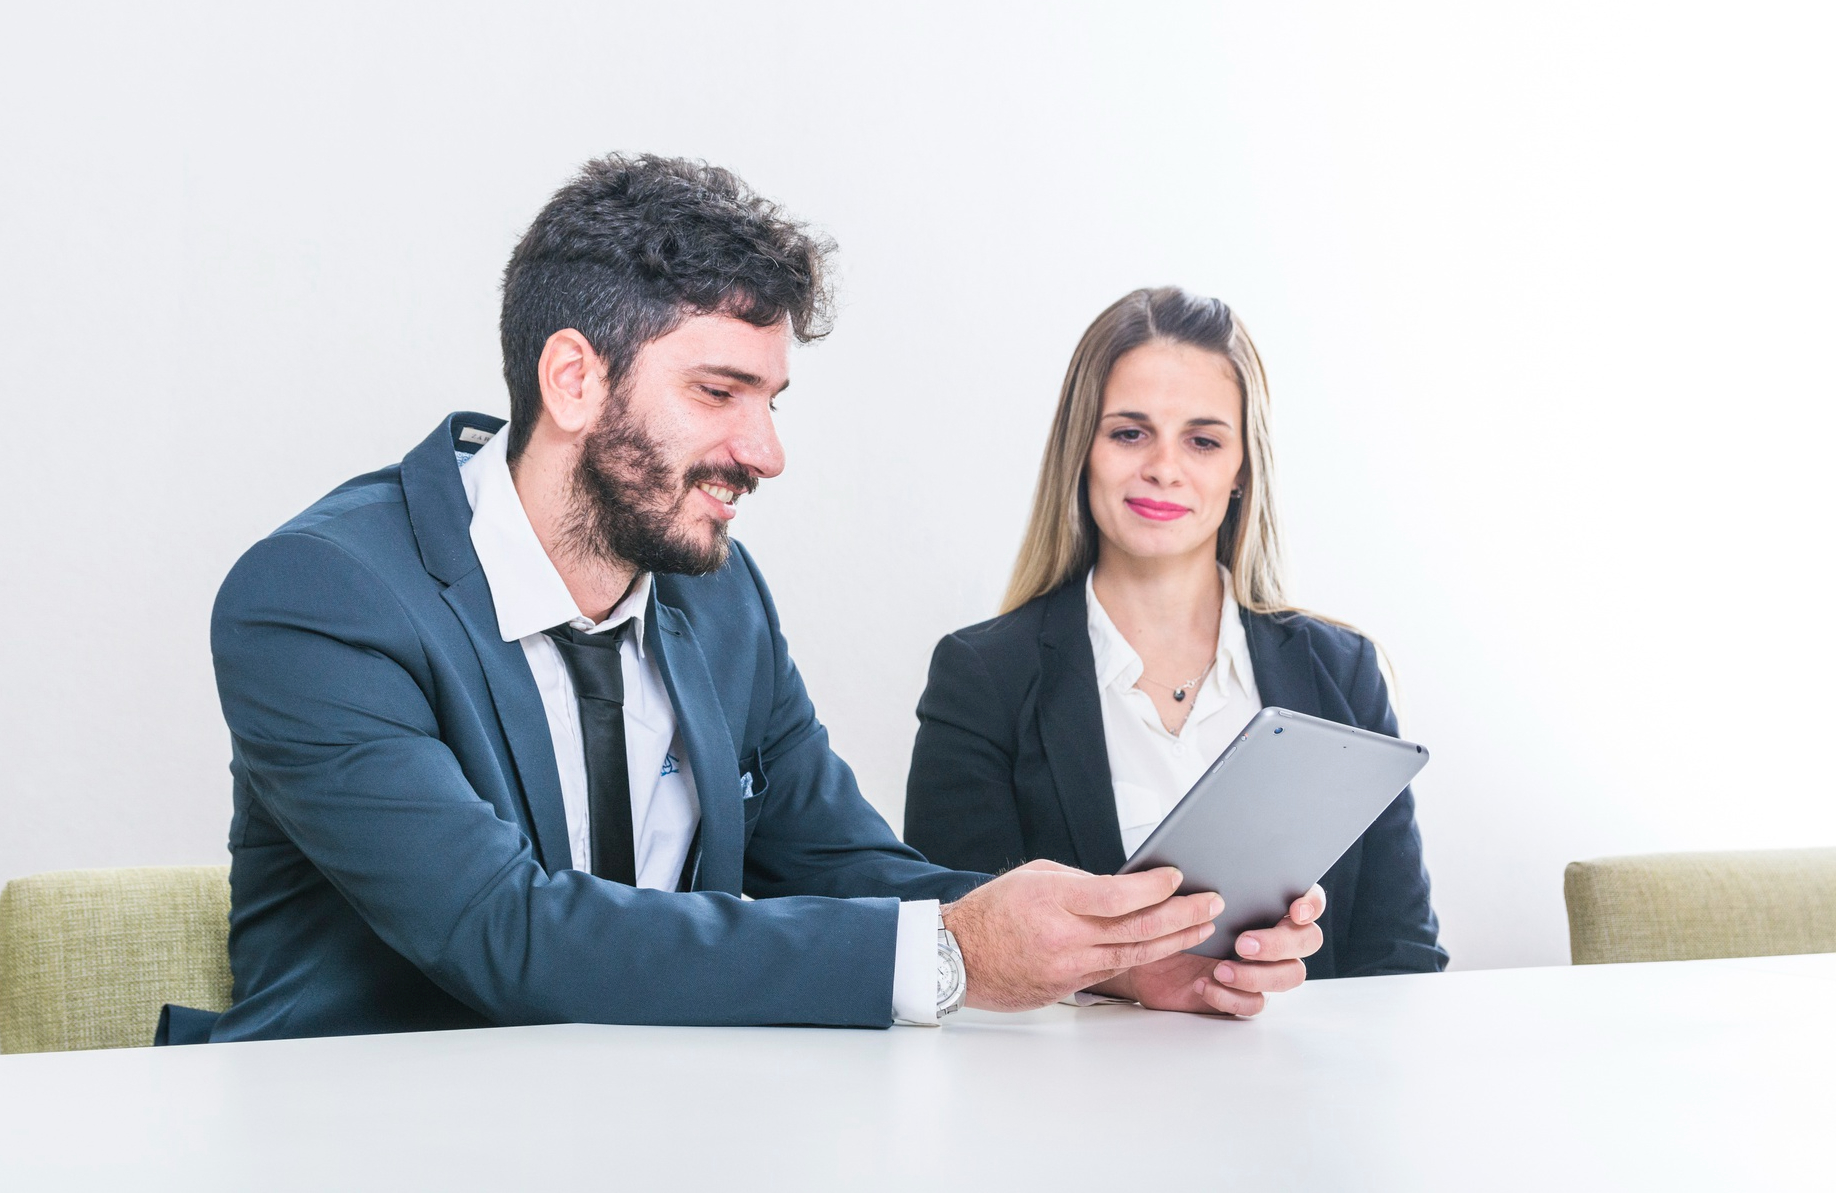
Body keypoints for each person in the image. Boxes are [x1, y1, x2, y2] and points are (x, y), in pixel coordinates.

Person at [171, 159, 1327, 1045]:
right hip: (371, 1138)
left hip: (676, 1126)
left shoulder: (715, 595)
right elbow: (501, 931)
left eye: (770, 398)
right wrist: (952, 955)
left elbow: (839, 862)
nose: (764, 451)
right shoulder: (321, 598)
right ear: (572, 380)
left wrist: (1114, 954)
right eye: (719, 391)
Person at [903, 287, 1446, 1010]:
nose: (1164, 466)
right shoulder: (983, 676)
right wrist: (1126, 976)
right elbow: (959, 950)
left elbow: (1401, 955)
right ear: (1081, 452)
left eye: (1203, 439)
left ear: (1242, 468)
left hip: (1309, 1100)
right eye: (1130, 432)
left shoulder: (1341, 671)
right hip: (1068, 1105)